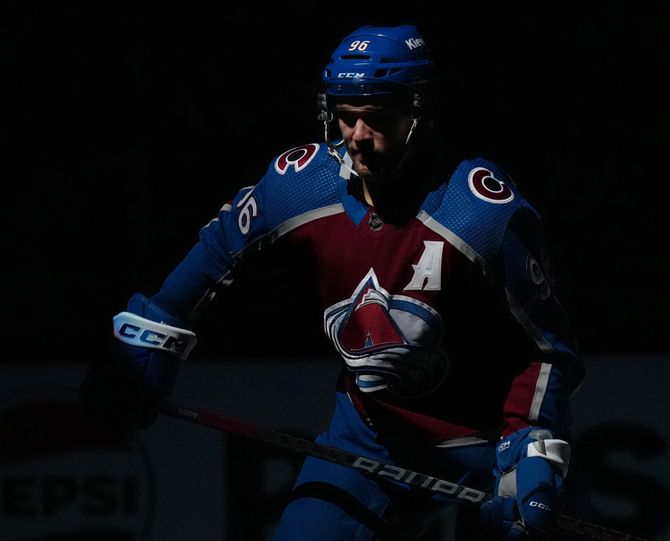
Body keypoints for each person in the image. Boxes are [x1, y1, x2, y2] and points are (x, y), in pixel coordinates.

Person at [79, 23, 585, 540]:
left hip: (486, 449)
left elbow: (546, 347)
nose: (358, 136)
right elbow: (217, 251)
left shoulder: (481, 213)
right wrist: (148, 340)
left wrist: (535, 443)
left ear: (419, 111)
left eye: (377, 118)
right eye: (345, 117)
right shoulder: (302, 184)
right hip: (368, 439)